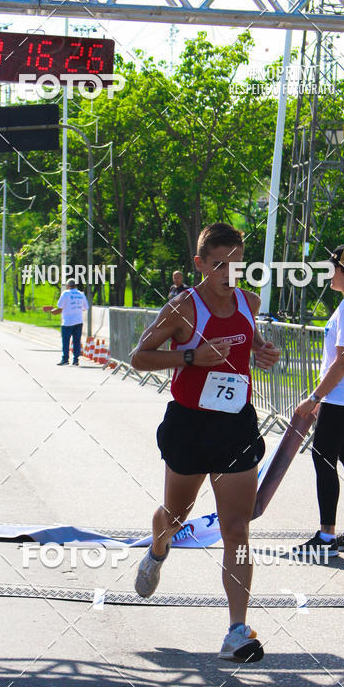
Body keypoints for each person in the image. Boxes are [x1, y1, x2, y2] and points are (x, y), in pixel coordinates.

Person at [131, 222, 280, 663]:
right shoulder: (183, 308)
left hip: (234, 424)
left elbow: (249, 346)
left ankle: (237, 630)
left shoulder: (249, 303)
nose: (228, 274)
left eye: (236, 266)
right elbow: (140, 356)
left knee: (237, 527)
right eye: (219, 265)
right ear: (200, 264)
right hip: (190, 425)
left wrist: (262, 354)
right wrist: (191, 357)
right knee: (176, 515)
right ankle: (158, 549)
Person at [294, 243, 344, 556]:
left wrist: (315, 397)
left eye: (333, 269)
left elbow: (342, 361)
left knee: (323, 458)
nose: (330, 274)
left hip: (342, 395)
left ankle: (327, 539)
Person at [51, 278, 88, 365]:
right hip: (78, 321)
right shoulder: (81, 294)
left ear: (68, 286)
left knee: (66, 341)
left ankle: (65, 359)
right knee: (77, 341)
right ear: (76, 286)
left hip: (67, 321)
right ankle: (76, 360)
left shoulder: (66, 293)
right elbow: (85, 307)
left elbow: (60, 306)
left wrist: (53, 311)